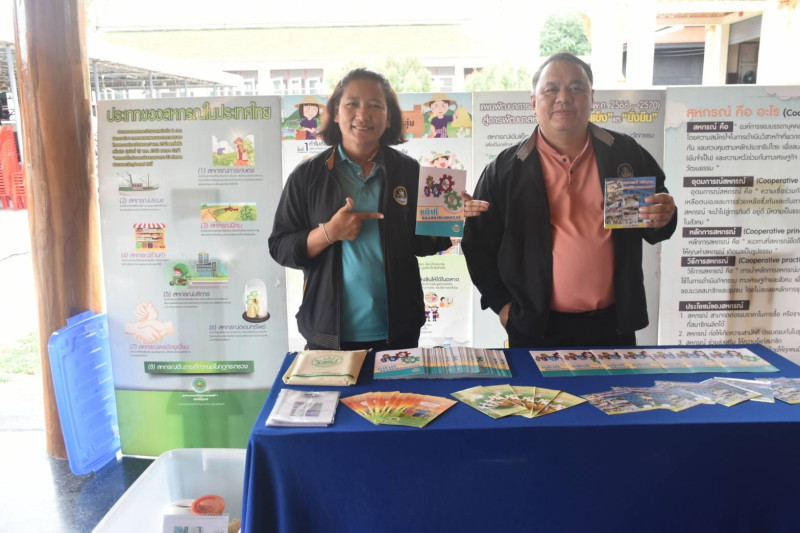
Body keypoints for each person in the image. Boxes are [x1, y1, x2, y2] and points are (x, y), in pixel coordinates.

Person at [462, 53, 677, 348]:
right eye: (551, 89)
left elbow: (655, 225)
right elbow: (477, 245)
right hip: (536, 328)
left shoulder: (624, 153)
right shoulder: (505, 169)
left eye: (576, 88)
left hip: (612, 326)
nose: (564, 98)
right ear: (533, 102)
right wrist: (502, 305)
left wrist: (665, 216)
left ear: (592, 98)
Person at [269, 68, 487, 351]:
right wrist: (329, 232)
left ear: (389, 117)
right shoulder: (307, 175)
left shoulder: (408, 171)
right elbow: (280, 247)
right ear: (335, 112)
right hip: (327, 334)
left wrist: (449, 216)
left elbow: (421, 245)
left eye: (375, 105)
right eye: (352, 103)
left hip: (398, 332)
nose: (363, 114)